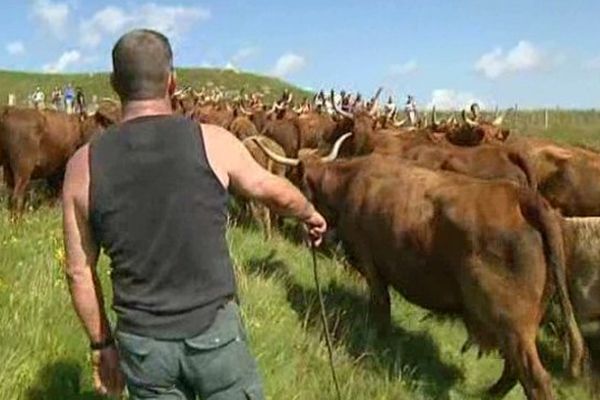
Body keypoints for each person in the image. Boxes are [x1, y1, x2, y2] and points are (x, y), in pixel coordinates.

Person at [62, 29, 327, 400]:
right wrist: (309, 212)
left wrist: (101, 345)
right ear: (173, 81)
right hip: (215, 334)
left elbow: (78, 271)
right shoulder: (212, 141)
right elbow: (271, 189)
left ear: (114, 84)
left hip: (143, 346)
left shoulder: (82, 166)